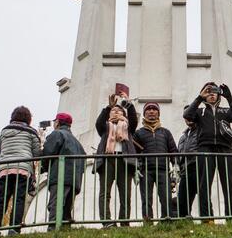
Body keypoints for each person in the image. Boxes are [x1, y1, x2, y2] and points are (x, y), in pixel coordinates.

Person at [184, 82, 232, 219]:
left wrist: (230, 98)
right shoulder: (200, 111)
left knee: (228, 184)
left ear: (218, 95)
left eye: (214, 91)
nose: (211, 94)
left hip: (225, 148)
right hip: (205, 147)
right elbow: (187, 115)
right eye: (208, 91)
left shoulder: (225, 111)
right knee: (204, 184)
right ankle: (206, 218)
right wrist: (199, 98)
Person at [0, 106, 42, 235]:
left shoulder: (4, 131)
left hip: (4, 169)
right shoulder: (31, 132)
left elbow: (1, 149)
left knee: (1, 199)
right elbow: (36, 154)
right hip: (22, 169)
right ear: (28, 118)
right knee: (19, 199)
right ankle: (14, 228)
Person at [94, 89, 138, 227]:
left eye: (120, 111)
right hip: (108, 160)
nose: (117, 112)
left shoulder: (128, 127)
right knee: (104, 193)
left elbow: (133, 118)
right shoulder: (105, 127)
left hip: (124, 161)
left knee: (125, 194)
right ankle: (107, 221)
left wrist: (128, 103)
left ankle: (124, 221)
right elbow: (98, 123)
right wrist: (108, 107)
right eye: (114, 111)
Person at [135, 102, 178, 221]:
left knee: (166, 198)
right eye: (148, 109)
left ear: (158, 113)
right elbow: (134, 153)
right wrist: (136, 169)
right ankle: (147, 222)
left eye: (154, 109)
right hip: (145, 170)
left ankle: (166, 221)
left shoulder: (165, 132)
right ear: (144, 114)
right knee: (146, 199)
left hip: (163, 170)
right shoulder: (138, 133)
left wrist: (175, 168)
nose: (151, 111)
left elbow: (173, 150)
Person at [41, 112, 85, 229]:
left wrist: (43, 168)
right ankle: (65, 230)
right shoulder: (77, 143)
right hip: (75, 179)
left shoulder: (57, 134)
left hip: (60, 176)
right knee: (66, 208)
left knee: (56, 203)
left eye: (55, 121)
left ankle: (53, 229)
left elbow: (48, 153)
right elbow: (84, 161)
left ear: (58, 122)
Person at [176, 108, 209, 218]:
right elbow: (179, 154)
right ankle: (184, 222)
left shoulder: (203, 130)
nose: (189, 118)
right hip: (185, 169)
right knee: (182, 198)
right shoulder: (183, 137)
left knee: (204, 195)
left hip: (198, 165)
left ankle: (208, 219)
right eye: (186, 116)